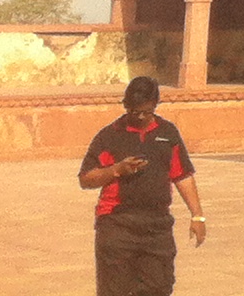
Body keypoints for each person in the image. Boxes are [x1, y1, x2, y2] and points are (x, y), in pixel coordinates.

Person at [79, 75, 205, 294]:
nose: (139, 117)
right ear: (126, 106)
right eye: (133, 111)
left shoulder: (167, 133)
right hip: (117, 225)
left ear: (155, 105)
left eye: (146, 111)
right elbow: (86, 178)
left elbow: (182, 175)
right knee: (115, 290)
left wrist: (197, 216)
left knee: (159, 287)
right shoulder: (110, 136)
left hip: (157, 226)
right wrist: (116, 170)